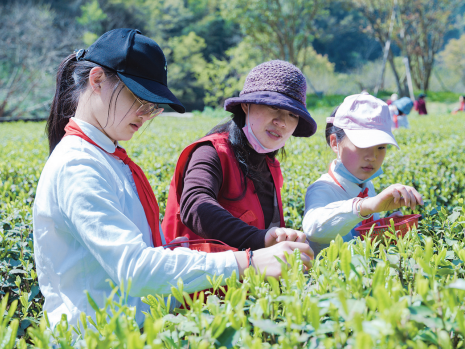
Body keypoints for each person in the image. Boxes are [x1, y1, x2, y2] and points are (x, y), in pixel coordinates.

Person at [33, 29, 313, 328]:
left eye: (153, 106)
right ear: (97, 80)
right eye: (137, 97)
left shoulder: (108, 158)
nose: (146, 114)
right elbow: (137, 268)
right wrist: (248, 261)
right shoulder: (79, 165)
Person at [162, 60, 317, 250]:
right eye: (274, 107)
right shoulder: (211, 152)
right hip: (199, 274)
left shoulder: (271, 165)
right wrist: (259, 238)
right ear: (246, 106)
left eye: (292, 114)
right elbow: (196, 204)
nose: (282, 122)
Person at [302, 93, 423, 255]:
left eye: (381, 147)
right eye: (361, 146)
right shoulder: (322, 188)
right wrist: (366, 206)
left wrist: (385, 226)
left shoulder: (366, 185)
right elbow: (313, 228)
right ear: (334, 143)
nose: (372, 157)